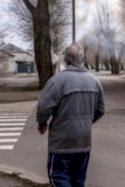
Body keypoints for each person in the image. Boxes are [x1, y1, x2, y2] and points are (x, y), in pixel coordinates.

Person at [37, 43, 105, 187]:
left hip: (61, 144)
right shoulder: (94, 81)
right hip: (83, 142)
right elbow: (100, 110)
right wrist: (85, 121)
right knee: (78, 182)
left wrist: (42, 123)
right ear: (82, 59)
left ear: (66, 59)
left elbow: (43, 106)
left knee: (59, 179)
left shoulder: (57, 81)